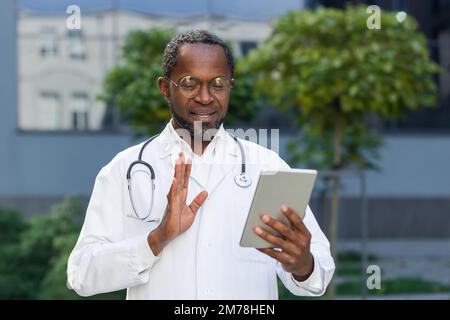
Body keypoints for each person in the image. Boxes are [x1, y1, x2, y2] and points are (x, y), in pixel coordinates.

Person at [67, 30, 335, 299]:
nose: (205, 97)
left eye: (217, 84)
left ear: (230, 86)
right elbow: (82, 274)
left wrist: (303, 265)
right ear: (164, 88)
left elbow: (318, 275)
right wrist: (157, 239)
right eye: (188, 84)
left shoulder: (267, 167)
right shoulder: (125, 169)